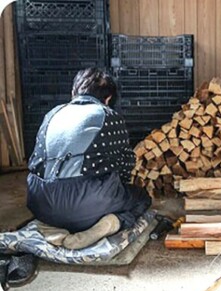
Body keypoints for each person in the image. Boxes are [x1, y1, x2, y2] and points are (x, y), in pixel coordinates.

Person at [26, 68, 151, 250]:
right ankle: (109, 224)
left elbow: (35, 162)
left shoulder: (52, 114)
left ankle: (50, 227)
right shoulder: (109, 116)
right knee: (141, 197)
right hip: (87, 203)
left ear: (74, 92)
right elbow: (125, 165)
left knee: (59, 204)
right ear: (108, 99)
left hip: (40, 202)